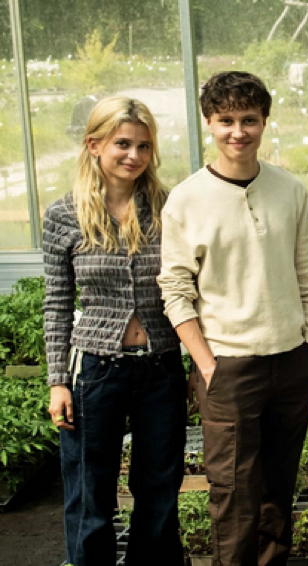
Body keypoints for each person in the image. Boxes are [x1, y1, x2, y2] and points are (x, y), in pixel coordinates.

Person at [158, 71, 308, 564]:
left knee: (278, 490)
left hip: (290, 361)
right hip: (228, 366)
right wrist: (207, 365)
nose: (238, 132)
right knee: (233, 494)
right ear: (209, 123)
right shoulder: (187, 199)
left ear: (264, 121)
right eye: (226, 120)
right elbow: (175, 290)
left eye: (249, 120)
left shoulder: (289, 189)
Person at [44, 96, 186, 565]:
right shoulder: (65, 215)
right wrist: (58, 381)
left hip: (161, 368)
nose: (134, 155)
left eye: (143, 146)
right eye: (122, 144)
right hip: (95, 371)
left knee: (159, 487)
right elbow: (57, 302)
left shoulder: (169, 207)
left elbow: (191, 286)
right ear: (94, 145)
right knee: (90, 490)